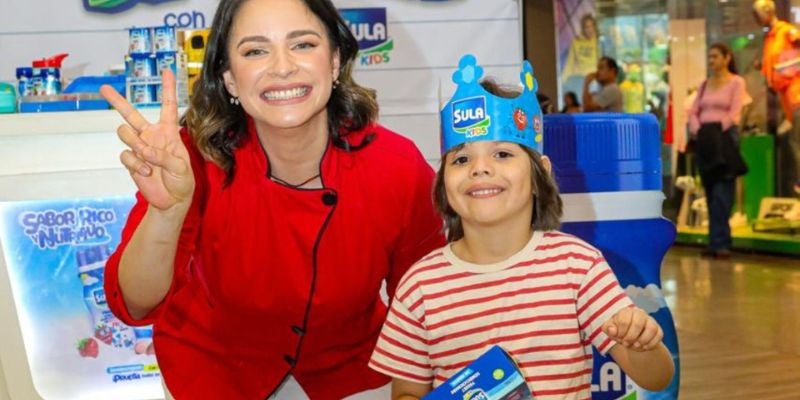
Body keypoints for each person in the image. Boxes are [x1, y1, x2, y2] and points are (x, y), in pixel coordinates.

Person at [98, 0, 445, 398]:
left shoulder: (396, 165)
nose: (282, 67)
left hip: (351, 373)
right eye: (255, 50)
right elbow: (135, 304)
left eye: (303, 45)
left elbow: (424, 305)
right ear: (229, 78)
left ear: (334, 61)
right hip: (214, 373)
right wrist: (166, 212)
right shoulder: (191, 157)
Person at [368, 54, 675, 399]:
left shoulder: (576, 266)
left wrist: (642, 342)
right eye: (462, 159)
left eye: (502, 154)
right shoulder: (420, 286)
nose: (480, 168)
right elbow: (405, 392)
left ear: (539, 173)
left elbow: (657, 378)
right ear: (442, 181)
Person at [688, 43, 749, 259]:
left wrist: (715, 129)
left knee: (724, 190)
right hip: (705, 139)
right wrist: (698, 129)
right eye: (710, 57)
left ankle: (722, 241)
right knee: (711, 189)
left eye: (715, 56)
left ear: (727, 57)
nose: (712, 61)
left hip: (724, 138)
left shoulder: (736, 82)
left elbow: (735, 112)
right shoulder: (705, 84)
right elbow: (694, 110)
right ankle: (715, 241)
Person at [753, 0, 800, 196]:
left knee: (797, 142)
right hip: (787, 100)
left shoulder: (787, 32)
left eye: (757, 14)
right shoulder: (770, 38)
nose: (756, 19)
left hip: (797, 94)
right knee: (793, 142)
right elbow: (771, 67)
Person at [561, 14, 602, 101]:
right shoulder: (576, 42)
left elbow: (601, 62)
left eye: (591, 26)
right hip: (579, 79)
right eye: (587, 27)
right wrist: (563, 80)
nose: (589, 29)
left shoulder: (598, 41)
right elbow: (570, 62)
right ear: (583, 29)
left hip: (594, 79)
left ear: (594, 27)